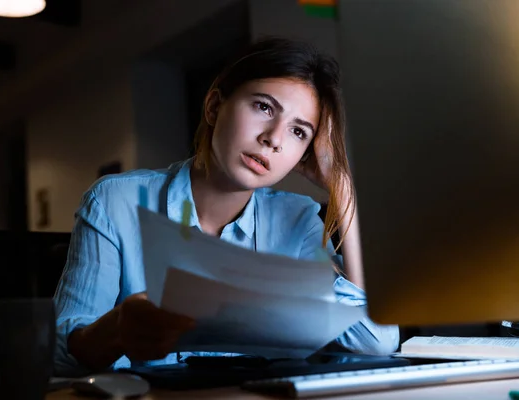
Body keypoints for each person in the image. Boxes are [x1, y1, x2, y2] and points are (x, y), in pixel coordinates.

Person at [53, 37, 400, 377]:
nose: (274, 139)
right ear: (215, 106)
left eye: (299, 132)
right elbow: (61, 359)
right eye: (264, 107)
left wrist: (344, 190)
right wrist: (117, 328)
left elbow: (375, 341)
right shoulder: (115, 201)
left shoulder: (298, 222)